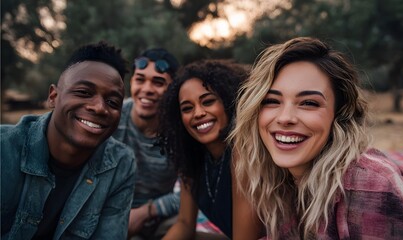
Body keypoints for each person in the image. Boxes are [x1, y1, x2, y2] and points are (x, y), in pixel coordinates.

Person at [229, 37, 403, 239]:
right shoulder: (277, 179)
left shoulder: (368, 184)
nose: (285, 118)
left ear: (339, 114)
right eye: (271, 101)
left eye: (308, 103)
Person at [1, 41, 136, 239]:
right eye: (84, 92)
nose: (99, 107)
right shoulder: (5, 149)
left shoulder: (121, 164)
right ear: (53, 96)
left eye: (113, 102)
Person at [158, 59, 248, 239]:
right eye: (187, 108)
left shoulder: (244, 152)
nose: (198, 113)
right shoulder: (191, 157)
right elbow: (184, 224)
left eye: (207, 102)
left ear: (229, 101)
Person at [112, 48, 180, 239]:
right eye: (140, 79)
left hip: (159, 218)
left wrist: (147, 211)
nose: (147, 89)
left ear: (173, 90)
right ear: (131, 82)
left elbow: (194, 194)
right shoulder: (112, 118)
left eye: (158, 82)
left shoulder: (180, 132)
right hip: (109, 215)